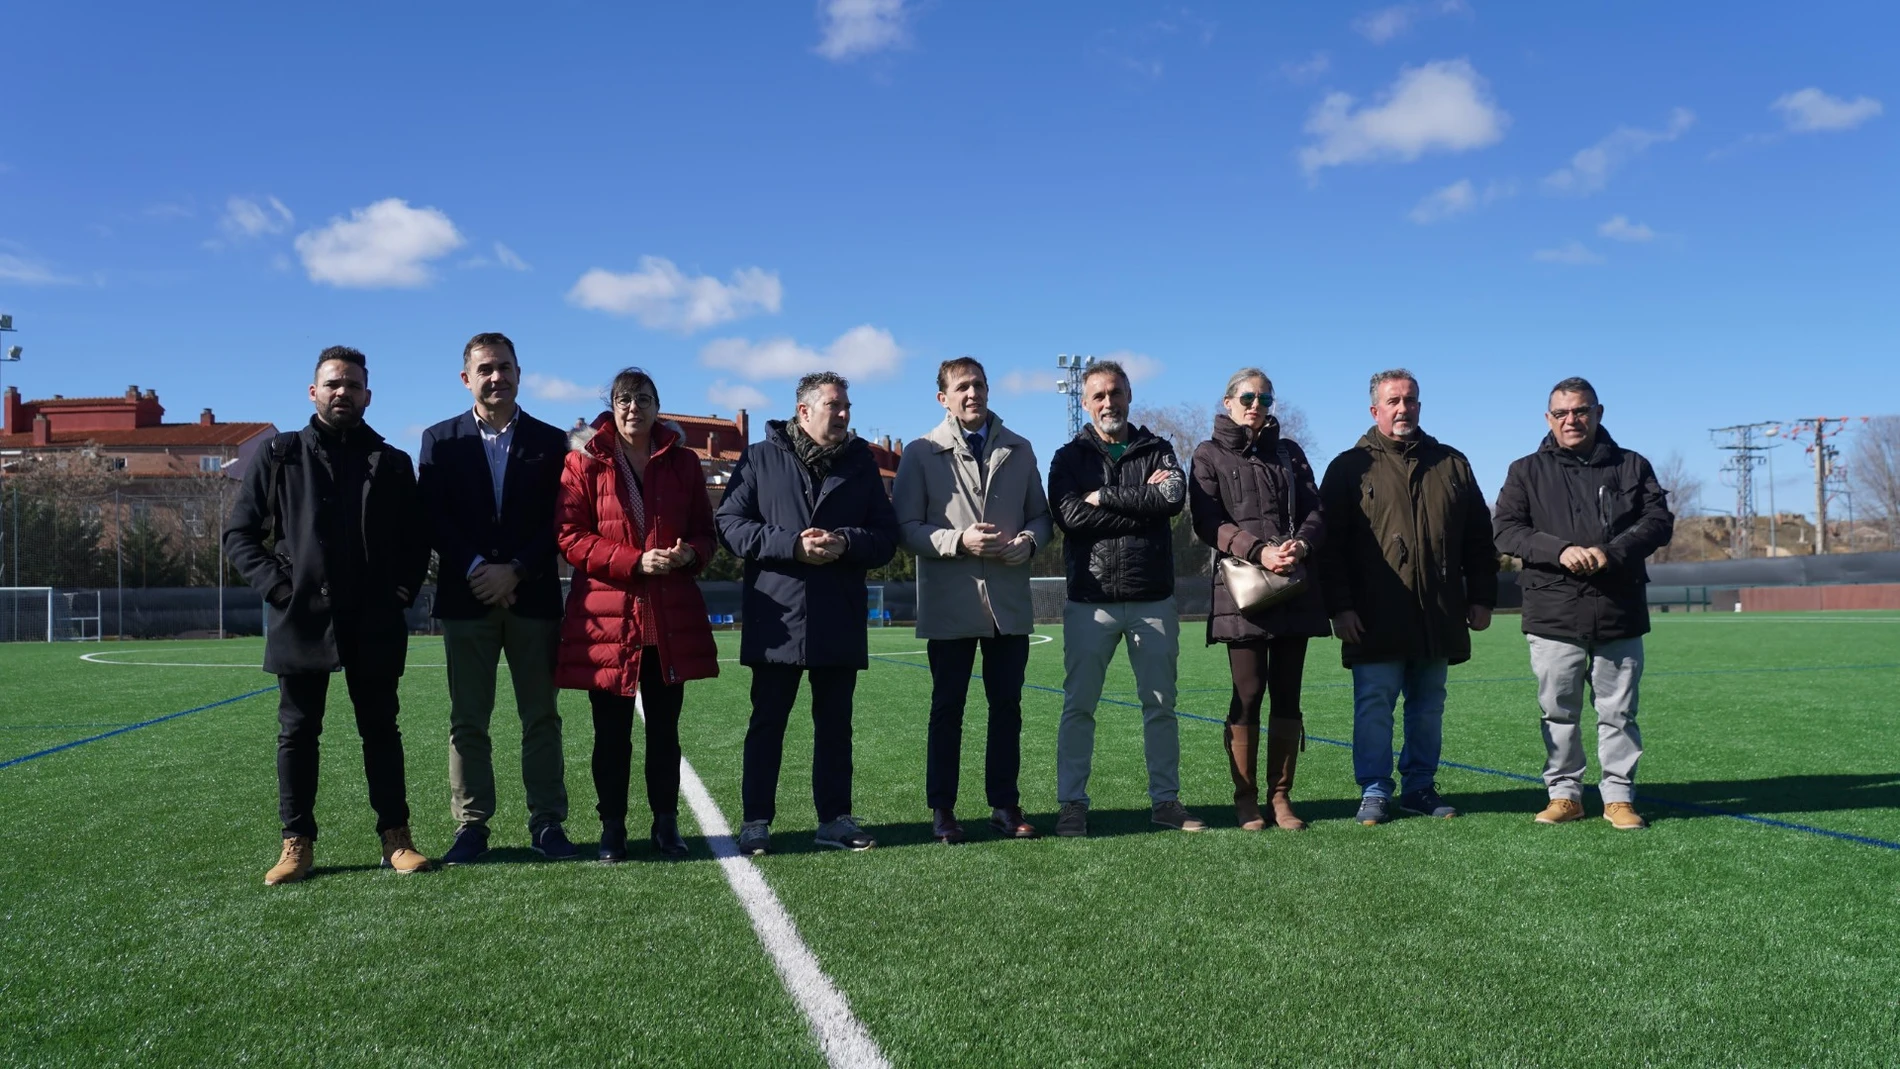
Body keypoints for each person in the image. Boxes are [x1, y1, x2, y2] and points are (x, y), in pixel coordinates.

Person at [223, 345, 432, 885]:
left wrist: (401, 593)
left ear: (368, 395)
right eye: (333, 384)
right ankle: (297, 843)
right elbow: (240, 535)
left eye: (353, 385)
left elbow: (416, 541)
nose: (343, 392)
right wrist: (279, 590)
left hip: (374, 619)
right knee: (297, 733)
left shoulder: (391, 462)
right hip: (302, 617)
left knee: (381, 730)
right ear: (313, 392)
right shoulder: (279, 455)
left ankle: (396, 838)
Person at [716, 371, 898, 855]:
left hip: (837, 615)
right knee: (767, 723)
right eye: (834, 406)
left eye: (846, 407)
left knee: (836, 725)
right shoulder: (758, 457)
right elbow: (730, 525)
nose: (843, 415)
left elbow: (885, 537)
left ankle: (834, 819)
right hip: (777, 619)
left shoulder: (861, 464)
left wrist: (845, 543)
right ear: (804, 411)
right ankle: (756, 821)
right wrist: (791, 546)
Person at [418, 332, 576, 865]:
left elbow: (561, 520)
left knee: (542, 717)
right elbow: (434, 517)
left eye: (504, 367)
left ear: (519, 372)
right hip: (467, 600)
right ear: (467, 378)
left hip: (531, 598)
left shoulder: (554, 442)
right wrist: (477, 569)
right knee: (468, 720)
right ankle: (471, 826)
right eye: (485, 369)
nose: (496, 377)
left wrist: (516, 570)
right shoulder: (439, 440)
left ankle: (547, 822)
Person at [1318, 368, 1499, 826]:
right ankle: (1375, 790)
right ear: (1374, 409)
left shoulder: (1452, 463)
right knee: (1374, 705)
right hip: (1374, 615)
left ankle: (1420, 787)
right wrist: (1340, 607)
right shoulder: (1347, 467)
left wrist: (1481, 596)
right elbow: (1328, 547)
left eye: (1411, 400)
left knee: (1428, 707)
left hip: (1438, 614)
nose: (1404, 408)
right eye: (1394, 401)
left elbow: (1479, 537)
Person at [1493, 377, 1674, 830]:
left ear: (1598, 413)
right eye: (1562, 413)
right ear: (1548, 419)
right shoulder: (1525, 471)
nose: (1571, 420)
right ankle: (1565, 794)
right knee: (1558, 710)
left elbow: (1658, 522)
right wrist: (1559, 550)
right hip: (1553, 611)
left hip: (1618, 608)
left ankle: (1618, 797)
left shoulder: (1632, 466)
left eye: (1581, 411)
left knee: (1618, 711)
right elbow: (1506, 530)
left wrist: (1611, 553)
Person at [554, 367, 720, 861]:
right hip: (609, 618)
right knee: (611, 734)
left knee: (666, 732)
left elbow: (705, 534)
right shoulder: (584, 461)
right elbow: (569, 537)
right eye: (624, 399)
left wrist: (690, 554)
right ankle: (613, 827)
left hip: (668, 617)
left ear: (657, 405)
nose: (633, 408)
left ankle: (666, 824)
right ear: (611, 405)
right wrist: (633, 560)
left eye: (643, 399)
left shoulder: (684, 462)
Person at [893, 356, 1053, 843]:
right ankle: (943, 811)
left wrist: (1028, 542)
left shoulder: (1020, 449)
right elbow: (905, 529)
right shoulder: (920, 453)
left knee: (1007, 708)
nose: (972, 394)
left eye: (979, 385)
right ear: (943, 397)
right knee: (948, 709)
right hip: (950, 604)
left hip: (1008, 605)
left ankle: (1005, 806)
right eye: (962, 387)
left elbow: (1042, 519)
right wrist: (957, 541)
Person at [1047, 360, 1205, 836]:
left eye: (1115, 392)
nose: (1107, 402)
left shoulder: (1158, 449)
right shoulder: (1067, 457)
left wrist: (1105, 497)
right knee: (1079, 706)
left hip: (1152, 599)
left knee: (1161, 705)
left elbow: (1172, 501)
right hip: (1089, 600)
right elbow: (1071, 518)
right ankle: (1072, 804)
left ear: (1129, 396)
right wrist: (1140, 503)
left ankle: (1166, 802)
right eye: (1097, 395)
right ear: (1086, 402)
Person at [1189, 368, 1328, 831]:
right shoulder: (1207, 454)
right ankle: (1245, 799)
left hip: (1291, 586)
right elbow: (1208, 521)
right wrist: (1259, 550)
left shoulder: (1290, 453)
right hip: (1243, 591)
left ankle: (1281, 797)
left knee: (1288, 693)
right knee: (1248, 694)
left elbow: (1315, 511)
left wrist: (1300, 546)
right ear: (1228, 402)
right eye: (1247, 396)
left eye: (1265, 398)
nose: (1256, 404)